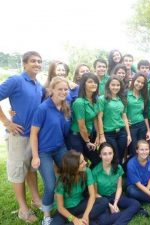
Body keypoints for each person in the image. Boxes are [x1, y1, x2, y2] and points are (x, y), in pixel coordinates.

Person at [0, 51, 43, 223]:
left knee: (31, 170)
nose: (37, 64)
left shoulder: (38, 85)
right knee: (18, 172)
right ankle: (23, 209)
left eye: (39, 61)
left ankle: (36, 200)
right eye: (33, 61)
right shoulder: (16, 80)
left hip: (33, 137)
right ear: (24, 64)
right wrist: (6, 122)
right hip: (18, 135)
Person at [30, 77, 70, 225]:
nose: (63, 92)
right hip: (44, 152)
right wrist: (35, 156)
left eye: (65, 89)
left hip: (60, 148)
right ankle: (47, 215)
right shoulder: (43, 108)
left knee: (69, 174)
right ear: (51, 90)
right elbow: (33, 134)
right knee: (50, 184)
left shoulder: (66, 107)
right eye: (60, 89)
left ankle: (64, 203)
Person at [51, 150, 108, 225]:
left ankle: (81, 221)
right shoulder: (62, 181)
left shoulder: (87, 171)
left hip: (79, 205)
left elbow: (92, 195)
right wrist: (74, 219)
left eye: (84, 160)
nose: (85, 162)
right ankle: (78, 222)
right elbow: (60, 208)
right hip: (65, 211)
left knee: (103, 202)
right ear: (73, 167)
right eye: (82, 162)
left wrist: (86, 215)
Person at [92, 142, 140, 225]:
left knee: (136, 204)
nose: (108, 157)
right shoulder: (95, 172)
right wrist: (109, 205)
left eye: (110, 153)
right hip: (102, 199)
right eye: (104, 154)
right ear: (100, 155)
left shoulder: (118, 168)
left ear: (113, 154)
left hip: (115, 195)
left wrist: (115, 203)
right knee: (103, 221)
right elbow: (95, 193)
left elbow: (119, 188)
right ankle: (128, 213)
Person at [67, 73, 101, 168]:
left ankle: (91, 180)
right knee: (79, 165)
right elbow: (81, 126)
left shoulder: (95, 100)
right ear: (83, 84)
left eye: (95, 82)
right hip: (77, 137)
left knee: (97, 161)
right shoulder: (79, 102)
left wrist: (98, 135)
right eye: (90, 82)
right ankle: (81, 182)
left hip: (88, 136)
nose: (93, 84)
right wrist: (87, 141)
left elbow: (95, 119)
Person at [98, 76, 131, 163]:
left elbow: (124, 117)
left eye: (118, 85)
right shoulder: (102, 99)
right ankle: (112, 175)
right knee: (113, 156)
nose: (115, 87)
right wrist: (101, 135)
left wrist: (128, 134)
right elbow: (99, 118)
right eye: (113, 85)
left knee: (120, 156)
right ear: (108, 85)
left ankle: (118, 175)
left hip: (122, 132)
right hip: (109, 133)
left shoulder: (122, 99)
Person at [126, 73, 150, 156]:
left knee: (142, 149)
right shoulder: (126, 94)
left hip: (141, 126)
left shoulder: (144, 96)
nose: (140, 84)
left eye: (142, 83)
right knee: (133, 150)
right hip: (131, 126)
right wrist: (124, 121)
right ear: (134, 80)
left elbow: (145, 114)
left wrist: (148, 130)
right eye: (138, 81)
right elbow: (120, 111)